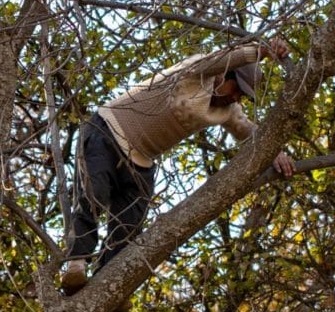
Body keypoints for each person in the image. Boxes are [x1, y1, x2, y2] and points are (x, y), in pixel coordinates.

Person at [60, 38, 295, 292]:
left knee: (128, 230)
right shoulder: (196, 72)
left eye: (243, 95)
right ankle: (76, 262)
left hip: (140, 162)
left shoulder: (227, 109)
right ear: (222, 75)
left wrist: (275, 152)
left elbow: (247, 131)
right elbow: (222, 58)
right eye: (237, 88)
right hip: (107, 131)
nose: (237, 97)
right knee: (93, 194)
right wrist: (260, 52)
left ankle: (106, 286)